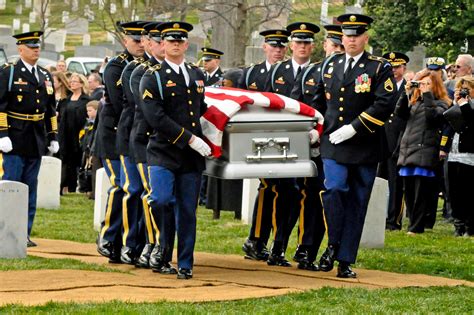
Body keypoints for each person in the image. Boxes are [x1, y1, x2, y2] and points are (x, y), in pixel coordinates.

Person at [313, 14, 396, 278]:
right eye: (347, 35)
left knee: (357, 203)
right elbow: (317, 102)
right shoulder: (331, 64)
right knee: (335, 189)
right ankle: (334, 243)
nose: (351, 40)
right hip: (334, 144)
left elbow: (384, 103)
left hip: (364, 144)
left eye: (356, 35)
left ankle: (345, 260)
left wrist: (354, 128)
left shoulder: (378, 67)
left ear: (365, 38)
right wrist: (314, 128)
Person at [140, 21, 210, 279]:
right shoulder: (153, 76)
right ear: (163, 45)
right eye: (171, 41)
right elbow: (155, 117)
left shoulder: (196, 74)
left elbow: (200, 108)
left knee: (187, 210)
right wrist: (190, 139)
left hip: (190, 157)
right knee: (160, 200)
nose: (176, 45)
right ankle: (163, 249)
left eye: (180, 41)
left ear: (186, 44)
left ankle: (185, 263)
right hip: (163, 151)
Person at [264, 21, 318, 267]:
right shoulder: (278, 71)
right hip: (283, 140)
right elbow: (267, 103)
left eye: (307, 42)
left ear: (312, 46)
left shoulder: (320, 71)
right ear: (291, 45)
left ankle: (304, 248)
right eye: (298, 42)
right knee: (286, 193)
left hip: (310, 140)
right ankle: (278, 245)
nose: (302, 47)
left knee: (308, 195)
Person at [0, 31, 59, 247]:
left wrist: (53, 136)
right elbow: (1, 106)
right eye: (31, 46)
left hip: (36, 137)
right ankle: (7, 230)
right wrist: (2, 134)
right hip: (15, 136)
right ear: (20, 49)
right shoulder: (9, 72)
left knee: (30, 187)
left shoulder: (44, 74)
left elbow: (51, 109)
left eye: (37, 46)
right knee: (13, 185)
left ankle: (24, 232)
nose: (36, 49)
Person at [238, 28, 290, 262]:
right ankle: (257, 239)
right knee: (269, 186)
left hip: (285, 137)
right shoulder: (251, 75)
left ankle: (262, 240)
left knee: (279, 189)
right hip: (258, 138)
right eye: (274, 46)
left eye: (281, 46)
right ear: (265, 47)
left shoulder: (289, 73)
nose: (278, 50)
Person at [95, 21, 145, 263]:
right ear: (126, 42)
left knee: (132, 189)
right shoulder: (116, 67)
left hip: (131, 135)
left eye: (142, 40)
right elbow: (117, 103)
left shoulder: (145, 67)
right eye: (135, 40)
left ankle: (126, 241)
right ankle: (108, 235)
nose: (139, 44)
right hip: (113, 134)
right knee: (121, 186)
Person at [129, 21, 172, 270]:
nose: (160, 46)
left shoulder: (175, 73)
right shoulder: (141, 73)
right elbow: (148, 111)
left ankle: (158, 244)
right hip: (147, 141)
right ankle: (152, 244)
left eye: (162, 41)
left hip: (169, 143)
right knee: (153, 196)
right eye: (157, 42)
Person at [396, 69, 450, 235]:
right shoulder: (414, 102)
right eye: (422, 83)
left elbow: (433, 117)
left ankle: (417, 226)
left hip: (425, 151)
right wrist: (405, 94)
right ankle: (412, 223)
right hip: (408, 150)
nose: (424, 87)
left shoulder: (442, 103)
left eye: (428, 84)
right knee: (409, 192)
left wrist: (427, 95)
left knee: (421, 192)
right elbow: (400, 114)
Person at [116, 21, 150, 265]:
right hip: (133, 137)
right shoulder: (133, 70)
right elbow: (126, 104)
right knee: (134, 191)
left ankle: (147, 243)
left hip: (155, 140)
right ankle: (129, 243)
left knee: (150, 194)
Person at [205, 68, 244, 220]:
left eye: (226, 80)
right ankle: (215, 210)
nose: (222, 83)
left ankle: (238, 211)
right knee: (216, 177)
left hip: (236, 143)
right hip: (221, 141)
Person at [379, 52, 410, 231]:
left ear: (404, 68)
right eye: (390, 67)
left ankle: (393, 220)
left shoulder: (408, 88)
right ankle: (378, 216)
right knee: (379, 181)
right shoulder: (383, 85)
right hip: (381, 139)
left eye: (397, 67)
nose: (394, 70)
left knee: (396, 183)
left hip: (399, 139)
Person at [444, 76, 474, 236]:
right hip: (454, 154)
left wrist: (465, 104)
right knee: (454, 193)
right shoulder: (457, 105)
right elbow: (447, 122)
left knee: (468, 192)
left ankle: (470, 226)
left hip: (470, 156)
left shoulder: (470, 106)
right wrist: (457, 103)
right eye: (460, 89)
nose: (463, 92)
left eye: (467, 89)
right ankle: (458, 225)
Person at [199, 47, 224, 211]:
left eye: (208, 60)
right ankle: (201, 195)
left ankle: (207, 195)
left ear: (216, 61)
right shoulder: (201, 77)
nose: (205, 63)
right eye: (204, 60)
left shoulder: (222, 79)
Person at [78, 100, 99, 195]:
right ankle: (85, 189)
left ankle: (92, 190)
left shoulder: (97, 124)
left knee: (91, 170)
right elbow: (82, 135)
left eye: (90, 110)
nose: (88, 113)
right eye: (87, 111)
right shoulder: (87, 123)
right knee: (84, 169)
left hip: (93, 149)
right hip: (86, 149)